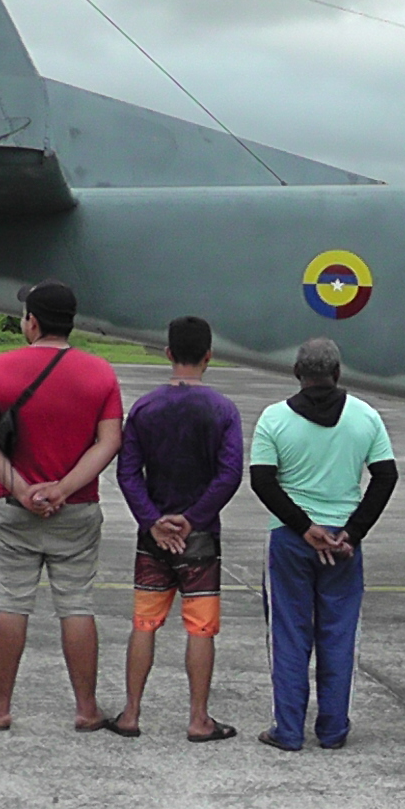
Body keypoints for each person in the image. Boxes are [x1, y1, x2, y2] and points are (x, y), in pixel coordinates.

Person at [0, 279, 124, 735]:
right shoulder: (100, 373)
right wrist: (64, 488)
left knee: (10, 601)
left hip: (15, 509)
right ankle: (87, 709)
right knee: (76, 604)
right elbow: (109, 441)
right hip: (77, 508)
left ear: (31, 322)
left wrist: (22, 489)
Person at [249, 337, 398, 751]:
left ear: (297, 372)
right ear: (337, 372)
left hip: (291, 539)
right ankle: (333, 729)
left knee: (289, 634)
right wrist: (354, 531)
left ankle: (288, 729)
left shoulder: (274, 418)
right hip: (342, 541)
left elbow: (262, 480)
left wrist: (302, 526)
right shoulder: (365, 416)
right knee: (339, 634)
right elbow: (385, 476)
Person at [111, 316, 243, 743]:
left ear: (168, 353)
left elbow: (128, 473)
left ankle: (131, 713)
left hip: (153, 536)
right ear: (209, 356)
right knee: (200, 627)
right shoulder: (223, 410)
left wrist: (152, 520)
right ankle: (198, 718)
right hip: (199, 537)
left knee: (144, 623)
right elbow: (229, 474)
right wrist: (194, 518)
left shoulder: (145, 408)